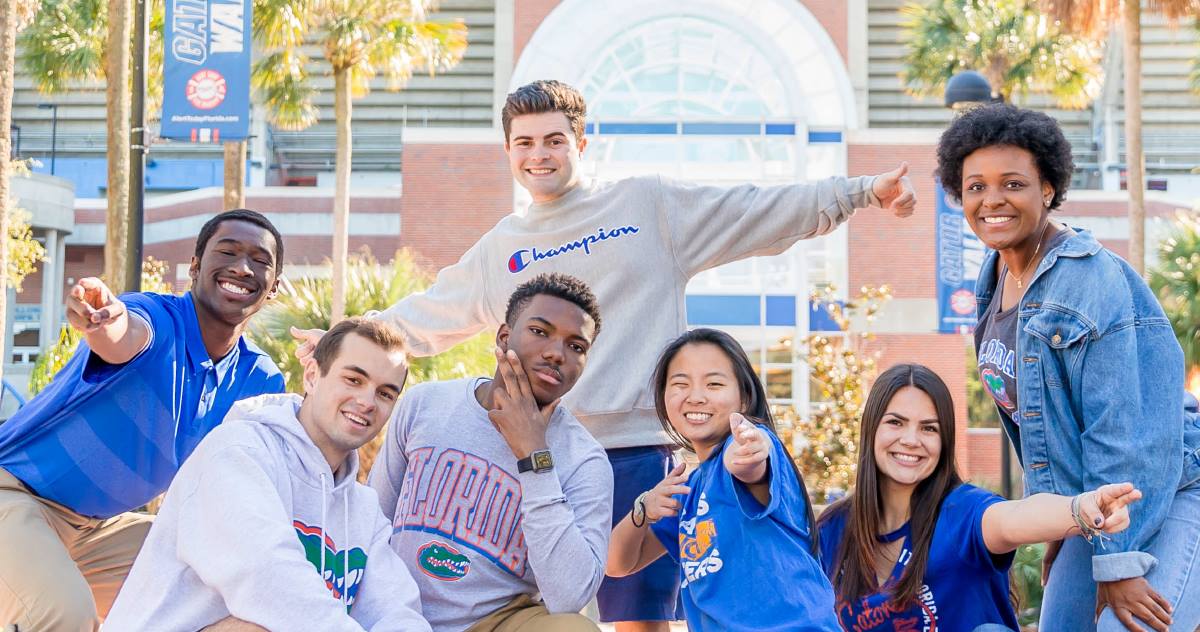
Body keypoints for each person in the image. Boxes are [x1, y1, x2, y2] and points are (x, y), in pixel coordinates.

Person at [294, 79, 917, 632]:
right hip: (544, 457)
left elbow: (754, 210)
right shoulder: (502, 249)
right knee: (556, 611)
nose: (540, 154)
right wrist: (341, 341)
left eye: (554, 140)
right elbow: (428, 315)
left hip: (641, 452)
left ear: (581, 144)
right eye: (525, 143)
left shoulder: (645, 207)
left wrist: (859, 192)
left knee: (642, 623)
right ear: (509, 152)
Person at [936, 103, 1200, 632]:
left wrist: (1117, 563)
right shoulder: (995, 285)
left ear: (1049, 189)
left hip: (1170, 486)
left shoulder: (1085, 277)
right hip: (1100, 509)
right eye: (975, 187)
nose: (992, 200)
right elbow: (1040, 432)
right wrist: (1062, 525)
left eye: (1012, 183)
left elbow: (1124, 432)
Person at [0, 209, 287, 631]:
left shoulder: (259, 379)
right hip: (14, 497)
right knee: (62, 612)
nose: (242, 267)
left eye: (259, 261)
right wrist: (104, 319)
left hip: (98, 531)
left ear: (274, 286)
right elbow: (124, 333)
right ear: (195, 267)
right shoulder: (156, 317)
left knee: (224, 597)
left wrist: (332, 367)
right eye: (227, 252)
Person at [103, 318, 430, 631]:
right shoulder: (237, 454)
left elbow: (396, 609)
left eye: (385, 393)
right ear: (313, 376)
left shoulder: (363, 511)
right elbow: (269, 579)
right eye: (354, 380)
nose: (367, 401)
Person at [818, 363, 1142, 632]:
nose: (911, 440)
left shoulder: (960, 512)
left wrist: (1078, 510)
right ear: (871, 428)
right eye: (895, 422)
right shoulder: (833, 529)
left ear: (944, 441)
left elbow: (1013, 519)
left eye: (929, 428)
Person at [369, 273, 611, 632]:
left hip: (495, 622)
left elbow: (569, 597)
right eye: (540, 331)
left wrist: (534, 455)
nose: (556, 353)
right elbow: (373, 519)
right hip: (396, 607)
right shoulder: (426, 405)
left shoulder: (585, 460)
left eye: (576, 346)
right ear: (503, 337)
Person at [606, 328, 838, 632]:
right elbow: (618, 564)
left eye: (714, 384)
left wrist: (748, 453)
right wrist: (644, 508)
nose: (696, 396)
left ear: (744, 396)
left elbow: (750, 461)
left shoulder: (748, 446)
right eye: (680, 384)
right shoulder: (687, 493)